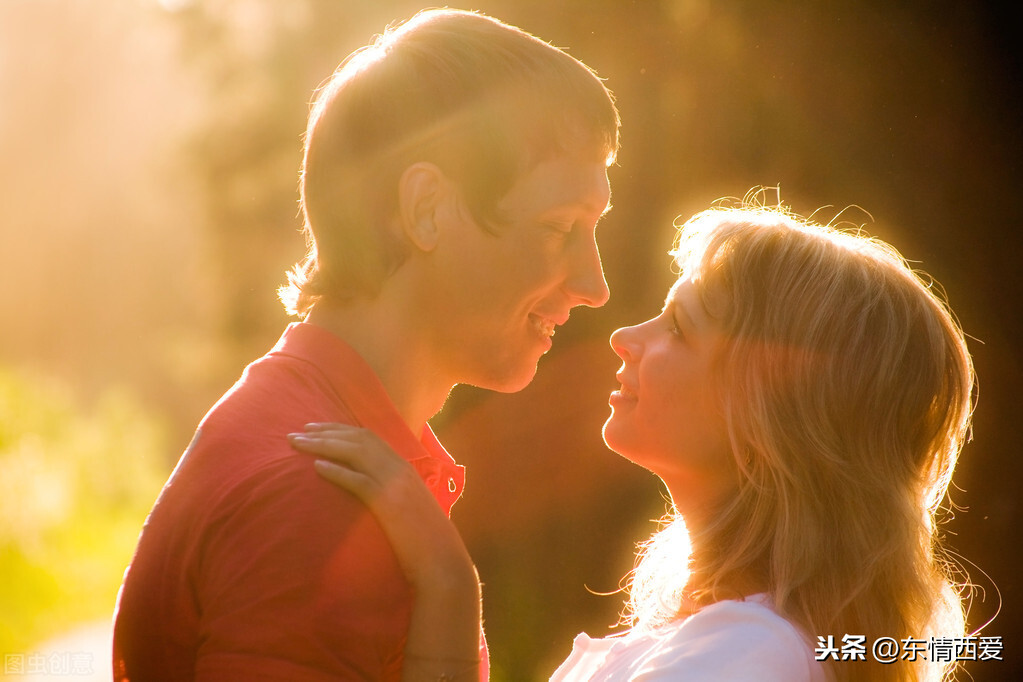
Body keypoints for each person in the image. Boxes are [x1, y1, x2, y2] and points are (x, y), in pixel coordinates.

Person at [112, 8, 619, 681]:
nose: (595, 286)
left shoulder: (341, 455)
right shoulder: (310, 500)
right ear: (426, 210)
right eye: (560, 229)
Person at [292, 200, 977, 682]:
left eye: (678, 327)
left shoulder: (742, 661)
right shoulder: (731, 643)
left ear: (769, 411)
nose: (626, 338)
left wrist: (443, 581)